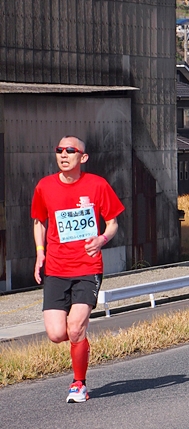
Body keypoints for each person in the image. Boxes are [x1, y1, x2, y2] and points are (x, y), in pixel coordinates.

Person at [32, 136, 125, 402]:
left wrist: (102, 239)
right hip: (56, 268)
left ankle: (79, 383)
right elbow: (39, 221)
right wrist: (40, 253)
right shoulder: (45, 186)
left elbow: (113, 223)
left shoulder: (97, 185)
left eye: (70, 150)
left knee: (74, 328)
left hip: (87, 266)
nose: (64, 154)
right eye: (59, 150)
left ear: (82, 157)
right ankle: (80, 342)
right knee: (56, 334)